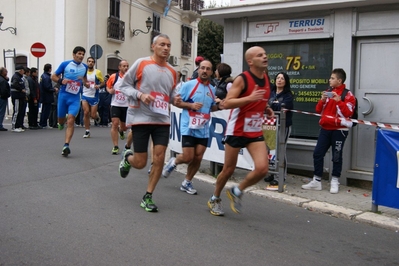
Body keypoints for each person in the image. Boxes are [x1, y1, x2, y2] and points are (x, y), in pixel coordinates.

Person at [207, 46, 274, 216]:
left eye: (265, 54)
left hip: (253, 130)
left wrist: (265, 107)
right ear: (250, 61)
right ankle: (215, 198)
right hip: (236, 129)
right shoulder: (242, 79)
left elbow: (259, 98)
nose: (264, 57)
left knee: (262, 168)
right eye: (260, 55)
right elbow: (226, 103)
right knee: (228, 169)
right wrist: (250, 99)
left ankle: (237, 190)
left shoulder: (266, 79)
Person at [118, 34, 177, 212]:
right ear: (153, 46)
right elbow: (124, 86)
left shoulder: (173, 71)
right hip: (141, 118)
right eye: (162, 44)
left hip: (162, 120)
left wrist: (179, 100)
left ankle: (148, 196)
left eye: (168, 45)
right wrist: (140, 95)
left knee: (159, 158)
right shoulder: (141, 63)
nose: (166, 48)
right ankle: (128, 159)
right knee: (141, 162)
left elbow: (172, 96)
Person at [162, 60, 219, 195]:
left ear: (211, 72)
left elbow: (212, 107)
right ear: (198, 70)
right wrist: (191, 106)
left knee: (198, 157)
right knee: (188, 157)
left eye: (208, 69)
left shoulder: (212, 89)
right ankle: (174, 161)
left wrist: (222, 105)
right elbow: (176, 103)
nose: (205, 71)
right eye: (202, 68)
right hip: (189, 126)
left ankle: (187, 182)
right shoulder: (188, 85)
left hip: (203, 128)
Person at [302, 68, 355, 194]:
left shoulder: (348, 95)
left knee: (336, 156)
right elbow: (318, 110)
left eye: (332, 78)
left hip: (339, 130)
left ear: (339, 80)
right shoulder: (328, 92)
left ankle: (335, 180)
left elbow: (348, 113)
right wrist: (322, 100)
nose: (329, 80)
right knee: (318, 153)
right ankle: (317, 180)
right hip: (325, 128)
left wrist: (339, 102)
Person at [51, 46, 89, 156]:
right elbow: (53, 76)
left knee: (71, 120)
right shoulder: (65, 64)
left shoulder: (85, 67)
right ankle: (61, 123)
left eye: (83, 54)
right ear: (74, 54)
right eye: (79, 53)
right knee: (61, 119)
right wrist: (61, 80)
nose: (81, 56)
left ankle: (66, 145)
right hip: (63, 96)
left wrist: (86, 84)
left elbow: (85, 80)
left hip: (75, 98)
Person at [265, 72, 294, 188]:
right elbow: (266, 105)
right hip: (271, 126)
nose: (279, 80)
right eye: (278, 78)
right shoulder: (271, 92)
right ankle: (272, 173)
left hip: (283, 126)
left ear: (286, 81)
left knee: (281, 150)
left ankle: (281, 176)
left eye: (282, 78)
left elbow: (284, 107)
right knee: (271, 150)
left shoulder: (288, 95)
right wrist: (274, 104)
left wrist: (273, 105)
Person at [106, 60, 129, 155]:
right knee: (114, 124)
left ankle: (121, 130)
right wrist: (110, 90)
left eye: (127, 66)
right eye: (124, 66)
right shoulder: (113, 77)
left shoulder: (130, 78)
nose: (126, 68)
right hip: (115, 104)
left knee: (124, 127)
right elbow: (108, 86)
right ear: (119, 67)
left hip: (126, 105)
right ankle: (115, 146)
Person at [81, 57, 104, 138]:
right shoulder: (83, 71)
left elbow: (102, 82)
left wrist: (98, 85)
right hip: (85, 95)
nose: (90, 63)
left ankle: (96, 116)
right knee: (86, 112)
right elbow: (81, 80)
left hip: (94, 96)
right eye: (89, 61)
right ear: (87, 62)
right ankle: (87, 131)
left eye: (92, 62)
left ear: (94, 63)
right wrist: (84, 83)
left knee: (93, 115)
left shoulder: (97, 72)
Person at [39, 64, 57, 129]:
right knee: (46, 110)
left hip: (44, 96)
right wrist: (54, 89)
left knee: (44, 110)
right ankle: (43, 124)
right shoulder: (46, 77)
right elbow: (47, 87)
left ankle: (42, 123)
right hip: (47, 96)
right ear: (49, 69)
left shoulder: (43, 76)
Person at [10, 65, 27, 132]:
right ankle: (14, 126)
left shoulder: (20, 77)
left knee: (20, 111)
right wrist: (21, 90)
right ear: (20, 70)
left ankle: (19, 125)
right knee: (16, 111)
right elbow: (15, 84)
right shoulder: (16, 77)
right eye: (23, 70)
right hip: (16, 96)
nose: (23, 72)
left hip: (20, 97)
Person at [0, 67, 11, 131]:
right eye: (5, 71)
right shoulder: (3, 80)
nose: (6, 73)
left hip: (1, 97)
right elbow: (4, 90)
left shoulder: (3, 79)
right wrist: (7, 95)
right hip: (2, 98)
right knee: (1, 112)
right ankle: (0, 125)